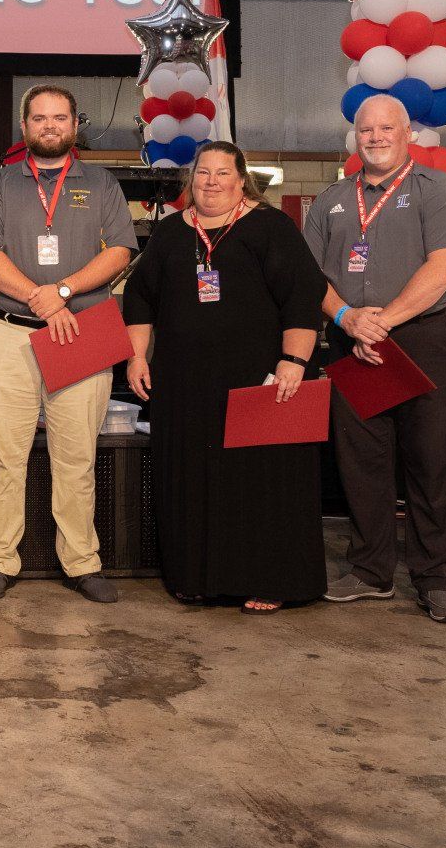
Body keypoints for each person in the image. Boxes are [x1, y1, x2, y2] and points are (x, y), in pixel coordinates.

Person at [122, 141, 328, 613]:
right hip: (185, 384)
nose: (211, 182)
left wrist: (293, 363)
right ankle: (197, 577)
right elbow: (140, 297)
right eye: (203, 173)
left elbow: (302, 296)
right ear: (191, 180)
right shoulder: (173, 232)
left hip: (258, 381)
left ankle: (270, 580)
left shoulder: (270, 228)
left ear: (241, 180)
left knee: (259, 480)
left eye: (222, 173)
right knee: (192, 476)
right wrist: (137, 356)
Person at [303, 93, 446, 624]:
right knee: (363, 461)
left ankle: (433, 578)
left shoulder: (438, 190)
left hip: (423, 339)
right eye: (366, 130)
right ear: (355, 137)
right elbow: (309, 279)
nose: (375, 137)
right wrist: (348, 320)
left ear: (408, 135)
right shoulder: (331, 200)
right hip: (352, 341)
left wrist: (384, 320)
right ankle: (371, 571)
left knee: (432, 459)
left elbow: (444, 266)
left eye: (386, 128)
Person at [0, 84, 136, 604]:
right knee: (2, 454)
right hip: (6, 332)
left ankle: (82, 563)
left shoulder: (102, 184)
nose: (49, 126)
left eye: (59, 118)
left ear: (75, 123)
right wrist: (41, 299)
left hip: (81, 330)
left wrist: (63, 292)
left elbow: (121, 251)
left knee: (77, 455)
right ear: (25, 127)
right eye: (39, 118)